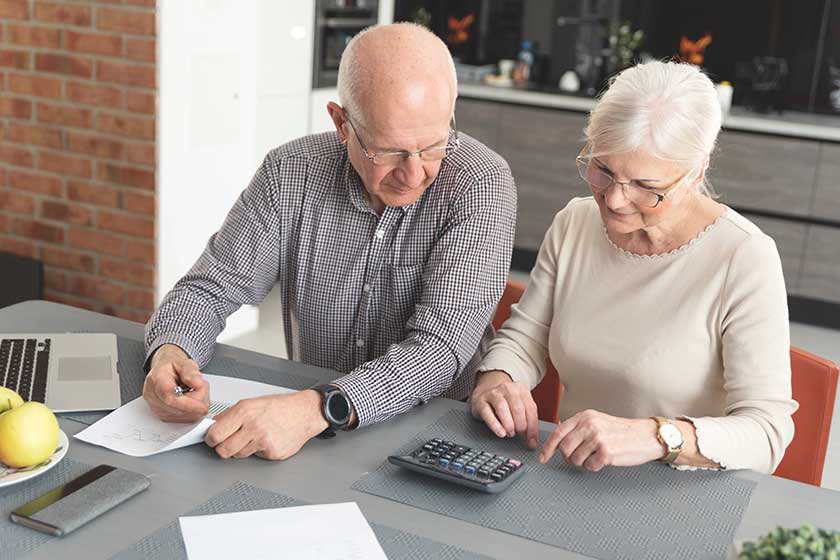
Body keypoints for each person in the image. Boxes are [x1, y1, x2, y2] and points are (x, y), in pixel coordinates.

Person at [142, 22, 516, 461]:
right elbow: (209, 289)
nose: (413, 173)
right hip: (310, 439)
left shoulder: (481, 185)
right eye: (389, 151)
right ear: (341, 123)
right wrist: (170, 352)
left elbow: (439, 349)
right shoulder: (290, 173)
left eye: (433, 146)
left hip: (434, 439)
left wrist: (319, 407)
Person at [471, 60, 797, 474]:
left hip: (681, 493)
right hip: (572, 475)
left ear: (697, 171)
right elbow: (526, 338)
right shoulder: (575, 222)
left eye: (646, 187)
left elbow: (767, 433)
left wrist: (658, 437)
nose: (614, 200)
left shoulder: (744, 258)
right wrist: (497, 379)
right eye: (603, 171)